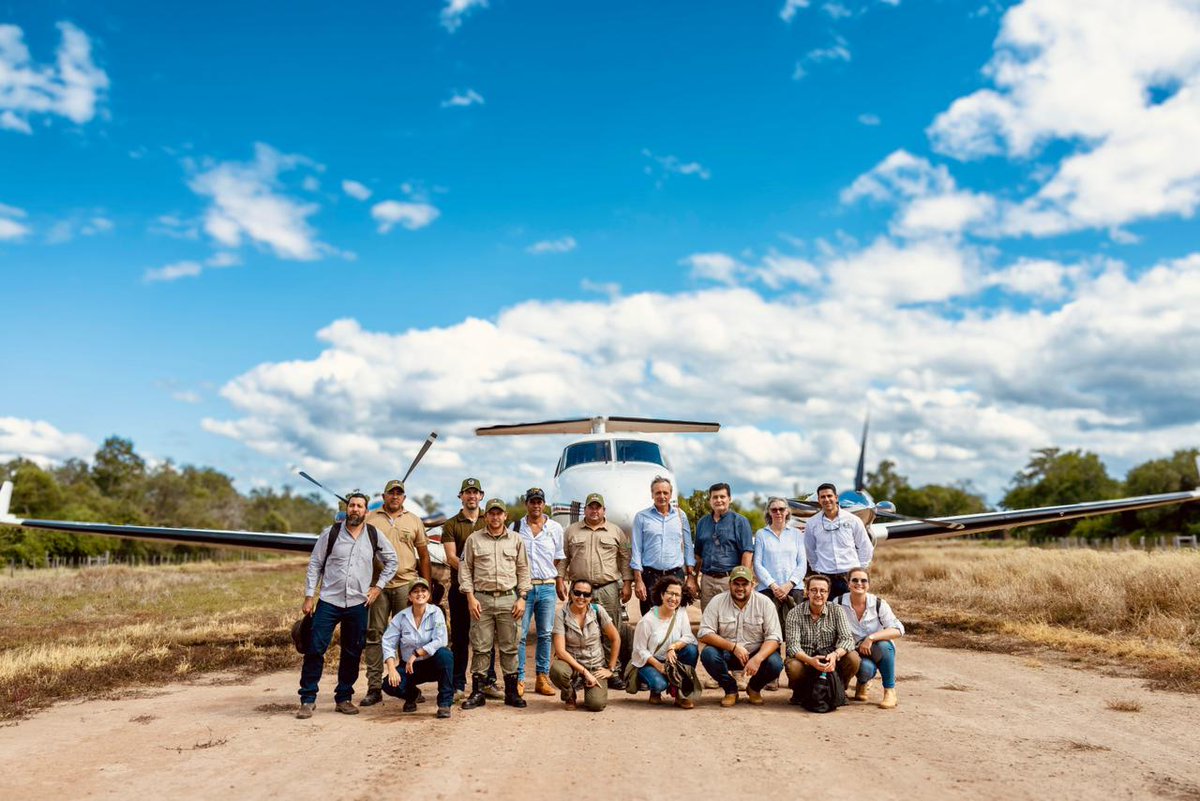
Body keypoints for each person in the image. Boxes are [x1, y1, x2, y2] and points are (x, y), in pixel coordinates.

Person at [297, 490, 398, 719]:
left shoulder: (374, 535)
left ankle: (343, 697)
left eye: (359, 506)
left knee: (352, 652)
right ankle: (308, 698)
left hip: (357, 603)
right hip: (329, 601)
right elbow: (315, 564)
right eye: (351, 505)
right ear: (346, 508)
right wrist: (309, 596)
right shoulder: (330, 533)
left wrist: (378, 587)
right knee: (315, 648)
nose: (355, 509)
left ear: (366, 510)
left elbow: (392, 561)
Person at [361, 479, 432, 707]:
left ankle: (408, 685)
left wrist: (426, 586)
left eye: (399, 494)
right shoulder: (369, 520)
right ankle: (374, 687)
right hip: (378, 586)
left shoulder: (414, 520)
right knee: (374, 635)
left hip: (407, 586)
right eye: (391, 493)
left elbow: (424, 554)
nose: (395, 497)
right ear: (383, 496)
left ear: (404, 497)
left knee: (409, 638)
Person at [459, 497, 532, 709]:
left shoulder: (516, 540)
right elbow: (465, 569)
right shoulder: (474, 540)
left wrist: (522, 597)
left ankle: (511, 692)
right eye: (492, 513)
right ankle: (478, 691)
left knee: (510, 646)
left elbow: (523, 570)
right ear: (486, 516)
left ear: (505, 516)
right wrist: (470, 597)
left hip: (509, 599)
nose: (495, 517)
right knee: (481, 646)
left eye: (499, 513)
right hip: (481, 599)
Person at [561, 492, 633, 689]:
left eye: (598, 507)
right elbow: (564, 558)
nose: (594, 510)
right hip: (579, 591)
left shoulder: (616, 531)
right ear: (585, 509)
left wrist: (627, 583)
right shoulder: (571, 531)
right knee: (577, 631)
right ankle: (578, 673)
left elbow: (625, 558)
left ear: (604, 510)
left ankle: (613, 671)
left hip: (608, 587)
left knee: (611, 631)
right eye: (591, 507)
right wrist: (560, 579)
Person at [440, 477, 496, 700]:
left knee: (487, 637)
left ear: (481, 496)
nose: (471, 496)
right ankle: (458, 684)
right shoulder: (452, 524)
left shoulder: (489, 520)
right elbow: (451, 557)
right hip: (460, 589)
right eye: (467, 493)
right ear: (461, 497)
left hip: (485, 590)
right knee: (461, 638)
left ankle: (488, 681)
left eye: (475, 493)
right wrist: (472, 570)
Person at [697, 566, 783, 706]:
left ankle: (754, 688)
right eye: (736, 584)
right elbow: (704, 633)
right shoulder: (717, 601)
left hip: (755, 653)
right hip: (728, 653)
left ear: (753, 584)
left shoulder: (765, 603)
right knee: (708, 654)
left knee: (776, 663)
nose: (740, 588)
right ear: (729, 583)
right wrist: (733, 647)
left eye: (745, 584)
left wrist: (758, 658)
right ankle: (730, 690)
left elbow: (775, 637)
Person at [514, 487, 566, 697]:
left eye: (539, 502)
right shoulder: (516, 527)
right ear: (526, 503)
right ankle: (518, 678)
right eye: (532, 501)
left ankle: (542, 678)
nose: (536, 505)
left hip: (546, 586)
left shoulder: (555, 528)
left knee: (545, 634)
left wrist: (548, 574)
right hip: (524, 588)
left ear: (544, 504)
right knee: (521, 634)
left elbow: (558, 557)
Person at [380, 578, 454, 718]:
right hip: (410, 668)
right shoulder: (400, 617)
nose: (420, 594)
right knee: (388, 685)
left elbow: (441, 640)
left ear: (428, 594)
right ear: (409, 596)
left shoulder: (436, 612)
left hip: (432, 663)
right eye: (415, 591)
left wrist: (416, 653)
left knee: (446, 656)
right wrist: (391, 668)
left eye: (423, 590)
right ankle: (412, 695)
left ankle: (444, 704)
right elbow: (388, 643)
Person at [784, 574, 860, 707]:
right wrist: (810, 661)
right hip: (805, 661)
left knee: (853, 658)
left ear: (828, 593)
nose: (818, 594)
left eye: (823, 591)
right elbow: (793, 647)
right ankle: (800, 692)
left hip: (830, 661)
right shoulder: (794, 613)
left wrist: (835, 655)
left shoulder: (837, 610)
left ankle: (839, 688)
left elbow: (847, 639)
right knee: (793, 666)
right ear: (806, 592)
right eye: (813, 590)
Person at [833, 567, 904, 709]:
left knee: (885, 645)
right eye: (855, 580)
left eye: (863, 580)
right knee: (866, 668)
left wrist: (871, 638)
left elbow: (898, 629)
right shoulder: (838, 603)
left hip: (876, 649)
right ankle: (863, 682)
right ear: (848, 584)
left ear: (869, 585)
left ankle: (890, 691)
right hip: (852, 650)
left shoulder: (878, 604)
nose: (859, 583)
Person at [550, 578, 621, 711]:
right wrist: (584, 672)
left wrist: (611, 668)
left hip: (595, 664)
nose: (581, 597)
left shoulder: (597, 611)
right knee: (557, 671)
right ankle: (569, 694)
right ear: (571, 593)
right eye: (577, 593)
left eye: (586, 594)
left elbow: (615, 638)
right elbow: (560, 651)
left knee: (596, 705)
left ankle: (592, 691)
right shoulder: (561, 614)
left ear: (591, 597)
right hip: (572, 664)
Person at [630, 575, 699, 708]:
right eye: (670, 593)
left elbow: (689, 636)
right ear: (662, 595)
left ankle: (681, 693)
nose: (673, 598)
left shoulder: (681, 612)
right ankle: (655, 691)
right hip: (650, 662)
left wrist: (672, 647)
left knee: (691, 650)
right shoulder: (647, 620)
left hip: (672, 658)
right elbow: (640, 650)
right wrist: (659, 666)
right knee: (660, 684)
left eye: (677, 595)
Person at [631, 476, 694, 616]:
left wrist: (691, 576)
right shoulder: (641, 517)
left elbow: (688, 546)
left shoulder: (680, 516)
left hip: (675, 576)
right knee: (650, 618)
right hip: (650, 576)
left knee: (675, 618)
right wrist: (638, 580)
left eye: (665, 493)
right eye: (658, 493)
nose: (662, 496)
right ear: (652, 494)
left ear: (670, 494)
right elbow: (636, 549)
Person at [803, 482, 874, 598]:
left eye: (829, 496)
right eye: (822, 497)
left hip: (849, 575)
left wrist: (859, 569)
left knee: (852, 610)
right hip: (825, 577)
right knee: (828, 611)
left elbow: (865, 546)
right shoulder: (812, 523)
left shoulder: (853, 520)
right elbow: (809, 549)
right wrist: (817, 569)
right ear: (819, 500)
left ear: (836, 497)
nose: (826, 499)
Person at [690, 482, 753, 611]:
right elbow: (697, 555)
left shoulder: (740, 522)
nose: (719, 500)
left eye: (722, 497)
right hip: (707, 581)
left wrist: (743, 582)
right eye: (715, 497)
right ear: (710, 501)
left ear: (729, 499)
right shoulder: (702, 523)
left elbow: (747, 553)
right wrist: (693, 579)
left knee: (730, 619)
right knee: (708, 619)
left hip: (730, 580)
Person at [753, 496, 807, 631]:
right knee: (770, 631)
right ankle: (773, 653)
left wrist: (789, 585)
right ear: (769, 512)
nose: (778, 512)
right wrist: (774, 586)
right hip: (768, 590)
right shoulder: (761, 534)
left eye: (781, 509)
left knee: (794, 631)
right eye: (774, 509)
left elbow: (802, 563)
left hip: (794, 590)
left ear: (787, 511)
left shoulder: (796, 534)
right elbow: (757, 564)